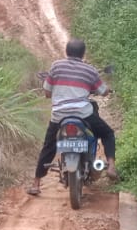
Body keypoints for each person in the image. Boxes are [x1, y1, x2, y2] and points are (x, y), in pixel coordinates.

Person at [30, 38, 118, 196]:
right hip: (83, 114)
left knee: (48, 145)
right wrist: (107, 90)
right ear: (83, 54)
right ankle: (111, 166)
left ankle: (36, 183)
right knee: (107, 133)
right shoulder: (89, 70)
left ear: (66, 51)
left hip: (59, 116)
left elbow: (47, 93)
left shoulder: (56, 66)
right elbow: (102, 91)